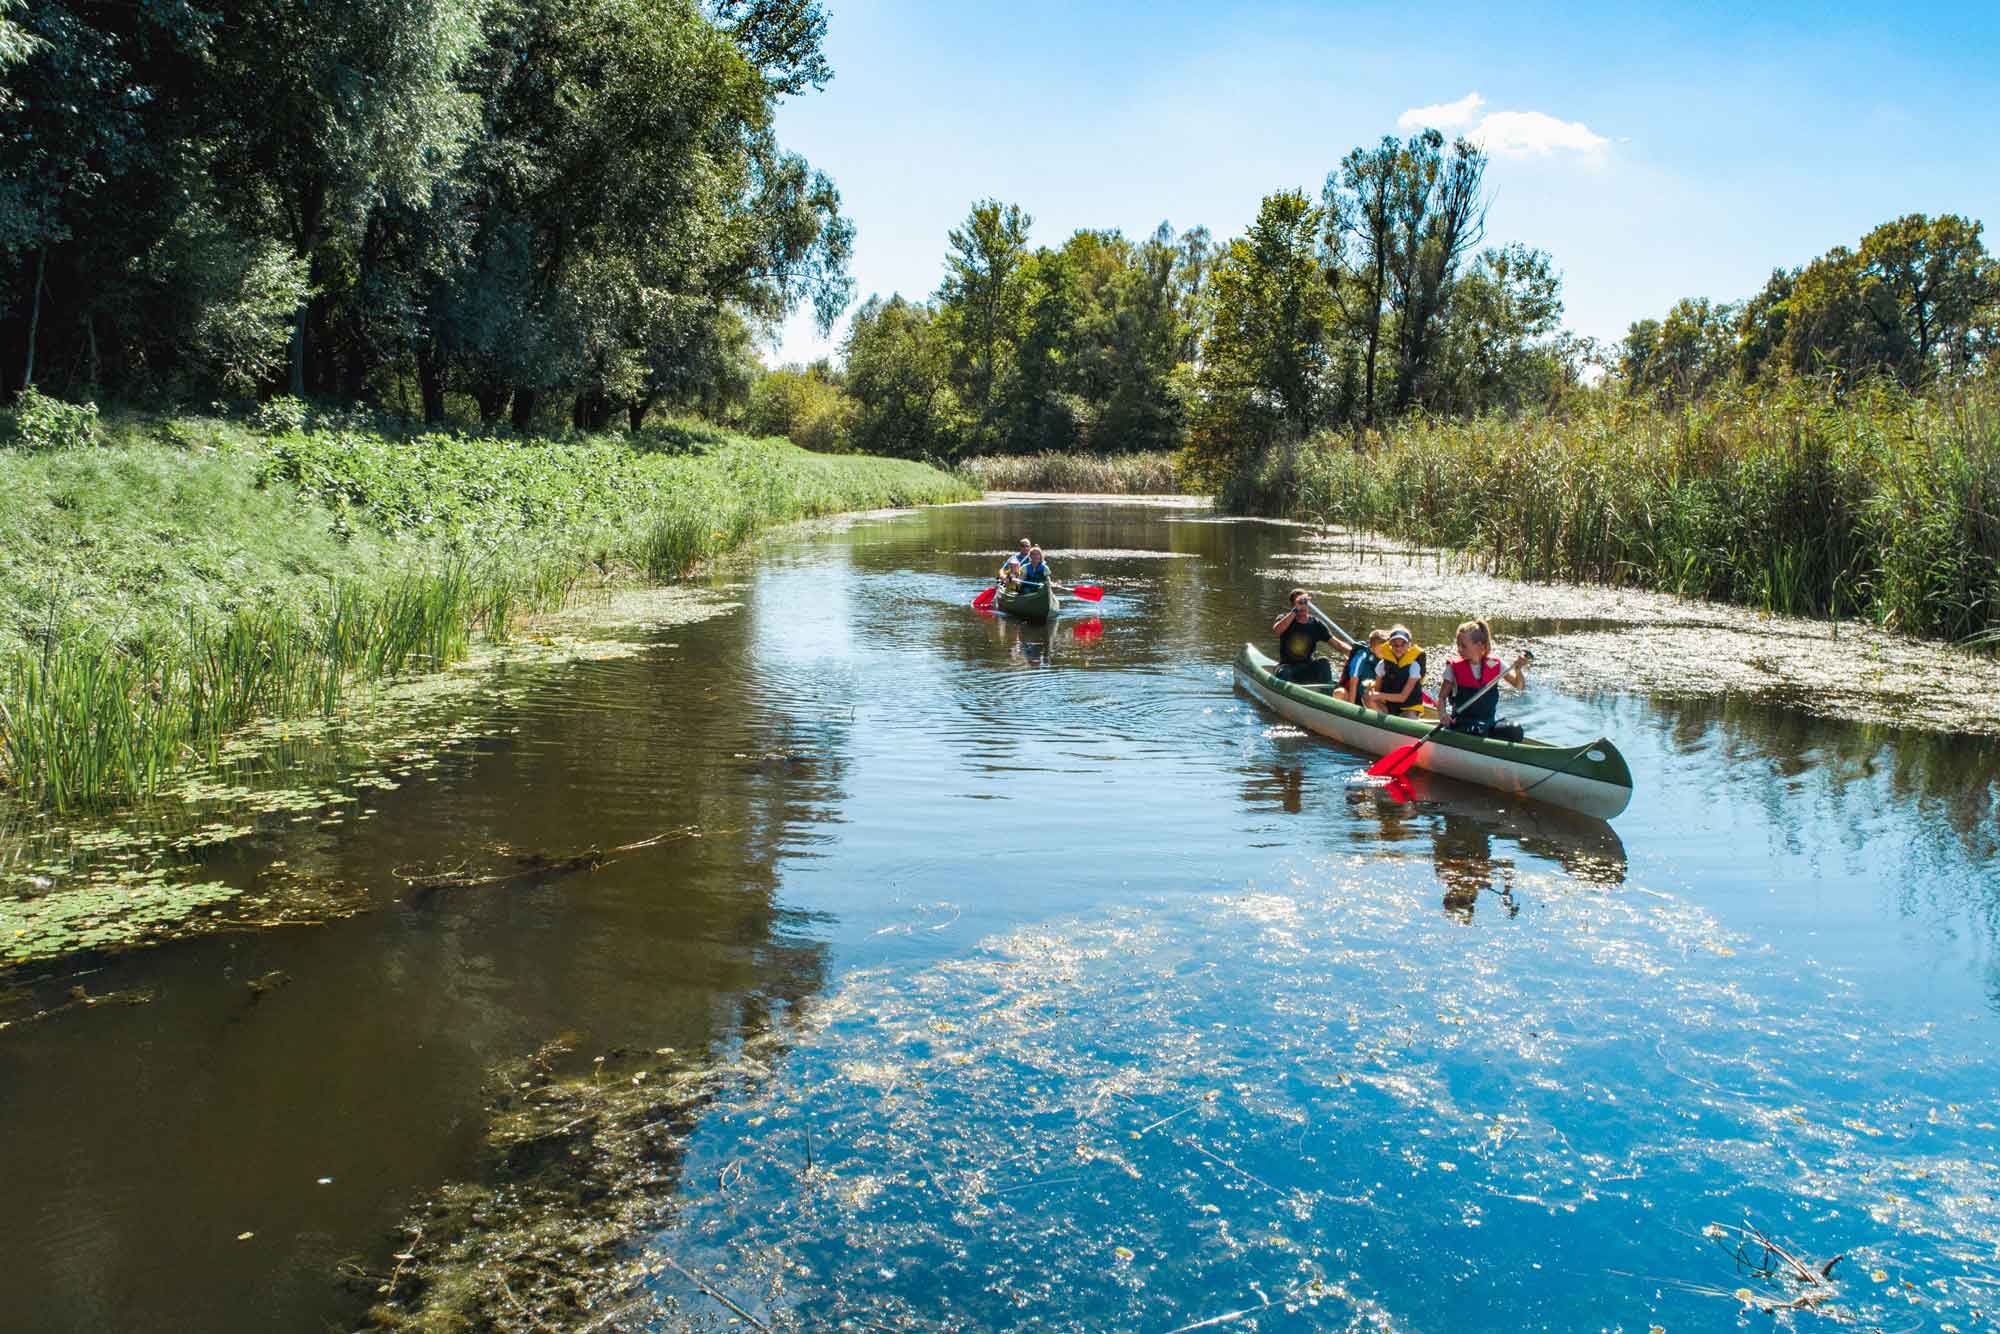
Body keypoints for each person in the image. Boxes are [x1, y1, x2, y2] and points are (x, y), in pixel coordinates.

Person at [1440, 618, 1531, 741]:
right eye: (1458, 645)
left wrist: (1518, 670)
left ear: (1479, 646)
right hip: (1463, 724)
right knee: (1476, 730)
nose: (1459, 649)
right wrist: (1443, 714)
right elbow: (1441, 697)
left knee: (1515, 730)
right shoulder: (1453, 668)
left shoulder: (1494, 664)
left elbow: (1519, 686)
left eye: (1463, 646)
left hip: (1487, 724)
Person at [1271, 589, 1351, 686]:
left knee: (1323, 662)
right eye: (1300, 602)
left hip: (1307, 666)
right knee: (1284, 672)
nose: (1303, 605)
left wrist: (1355, 651)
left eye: (1305, 602)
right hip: (1288, 667)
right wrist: (1295, 610)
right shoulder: (1285, 618)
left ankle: (1326, 692)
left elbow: (1337, 644)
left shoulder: (1316, 624)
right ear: (1293, 605)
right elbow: (1277, 630)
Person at [1364, 625, 1425, 715]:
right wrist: (1372, 693)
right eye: (1395, 644)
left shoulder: (1414, 666)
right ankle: (1383, 723)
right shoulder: (1382, 665)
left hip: (1408, 708)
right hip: (1389, 706)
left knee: (1409, 715)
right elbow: (1378, 690)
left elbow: (1402, 697)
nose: (1398, 648)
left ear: (1409, 645)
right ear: (1390, 645)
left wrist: (1379, 695)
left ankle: (1392, 724)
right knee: (1367, 698)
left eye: (1403, 644)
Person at [1336, 628, 1389, 704]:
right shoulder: (1361, 656)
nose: (1385, 651)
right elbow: (1353, 682)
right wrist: (1352, 707)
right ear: (1372, 648)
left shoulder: (1386, 659)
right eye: (1382, 649)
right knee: (1339, 693)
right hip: (1352, 693)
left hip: (1367, 695)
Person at [1009, 545, 1075, 596]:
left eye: (1037, 554)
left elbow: (1048, 580)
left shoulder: (1045, 568)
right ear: (1030, 556)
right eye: (1033, 554)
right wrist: (1016, 581)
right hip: (1027, 588)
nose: (1036, 556)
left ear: (1040, 556)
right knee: (1026, 590)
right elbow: (1021, 579)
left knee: (1044, 590)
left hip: (1040, 589)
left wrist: (1052, 585)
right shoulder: (1025, 567)